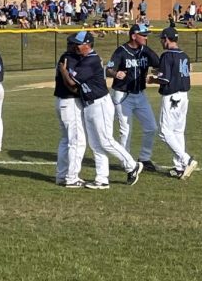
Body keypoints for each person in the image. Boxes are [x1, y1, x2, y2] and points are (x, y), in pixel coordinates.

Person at [59, 30, 144, 189]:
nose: (77, 47)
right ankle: (102, 179)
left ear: (87, 45)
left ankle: (132, 165)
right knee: (96, 144)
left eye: (79, 45)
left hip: (100, 104)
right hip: (89, 104)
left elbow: (71, 82)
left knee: (106, 140)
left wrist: (64, 70)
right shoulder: (85, 58)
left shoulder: (91, 60)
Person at [105, 23, 161, 170]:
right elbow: (108, 69)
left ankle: (145, 158)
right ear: (133, 36)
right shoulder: (121, 51)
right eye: (143, 35)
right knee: (125, 131)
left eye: (146, 35)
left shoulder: (145, 51)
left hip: (140, 95)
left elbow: (158, 63)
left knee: (152, 127)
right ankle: (126, 162)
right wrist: (115, 73)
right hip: (123, 95)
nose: (146, 37)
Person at [148, 27, 198, 179]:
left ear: (167, 39)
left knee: (164, 132)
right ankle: (180, 167)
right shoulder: (184, 55)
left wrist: (152, 79)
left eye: (162, 39)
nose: (162, 41)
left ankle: (186, 159)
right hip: (184, 97)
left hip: (171, 97)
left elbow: (165, 79)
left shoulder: (167, 55)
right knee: (177, 131)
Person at [55, 35, 87, 187]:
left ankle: (61, 176)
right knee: (77, 141)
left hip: (62, 101)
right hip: (70, 102)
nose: (78, 47)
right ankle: (72, 177)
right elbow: (73, 85)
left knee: (66, 141)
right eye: (76, 45)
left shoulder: (65, 57)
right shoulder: (70, 59)